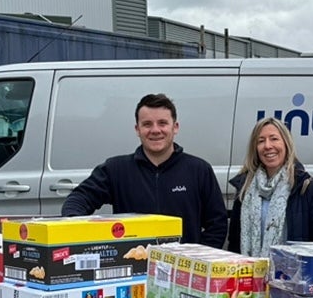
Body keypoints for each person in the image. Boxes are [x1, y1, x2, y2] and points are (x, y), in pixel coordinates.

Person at [61, 93, 228, 249]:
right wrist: (76, 226)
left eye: (162, 123)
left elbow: (217, 224)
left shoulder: (199, 170)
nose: (155, 130)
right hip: (132, 269)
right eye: (147, 124)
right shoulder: (116, 169)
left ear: (175, 127)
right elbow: (78, 200)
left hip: (182, 273)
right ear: (137, 129)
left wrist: (199, 260)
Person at [228, 117, 313, 256]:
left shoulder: (308, 187)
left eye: (274, 139)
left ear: (286, 143)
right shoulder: (244, 188)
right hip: (249, 274)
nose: (267, 146)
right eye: (261, 141)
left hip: (294, 276)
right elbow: (234, 245)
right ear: (255, 148)